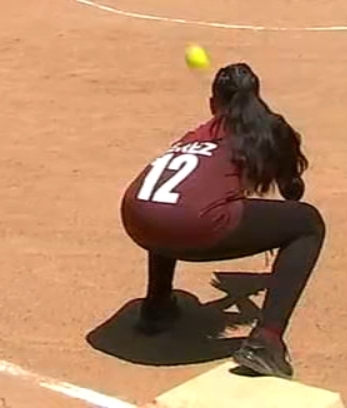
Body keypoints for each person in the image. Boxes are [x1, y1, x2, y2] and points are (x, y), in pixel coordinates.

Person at [119, 63, 324, 380]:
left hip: (136, 219)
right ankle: (266, 342)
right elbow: (293, 192)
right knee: (308, 224)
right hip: (192, 225)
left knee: (174, 204)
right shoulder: (268, 129)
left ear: (213, 104)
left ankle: (156, 307)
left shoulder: (194, 135)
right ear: (257, 98)